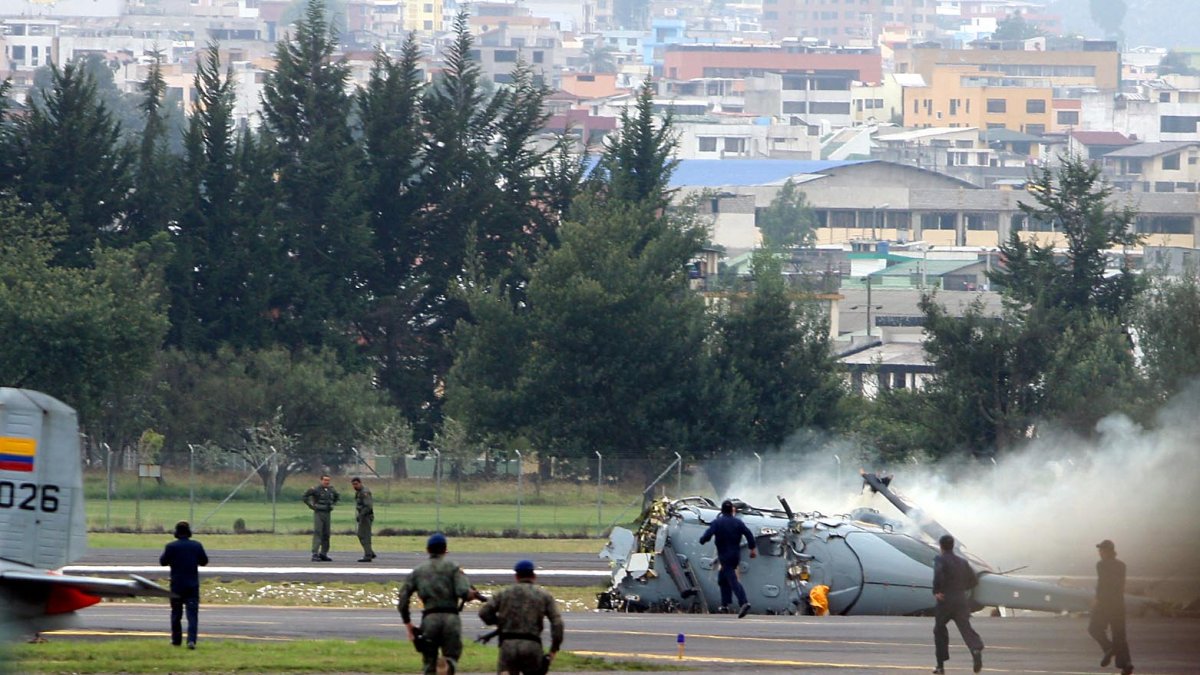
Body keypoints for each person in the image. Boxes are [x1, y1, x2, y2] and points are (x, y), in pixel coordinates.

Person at [399, 533, 482, 675]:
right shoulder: (454, 567)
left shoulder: (419, 571)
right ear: (445, 550)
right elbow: (463, 591)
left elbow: (403, 599)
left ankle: (433, 668)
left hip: (430, 618)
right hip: (451, 618)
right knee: (452, 656)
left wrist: (408, 624)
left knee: (429, 660)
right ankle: (447, 666)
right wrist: (472, 595)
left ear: (427, 550)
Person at [479, 560, 564, 675]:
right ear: (534, 576)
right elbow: (557, 623)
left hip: (508, 645)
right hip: (532, 645)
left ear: (516, 576)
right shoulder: (544, 595)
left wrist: (500, 623)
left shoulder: (504, 593)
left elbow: (484, 612)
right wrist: (554, 648)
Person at [932, 534, 983, 674]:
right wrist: (960, 589)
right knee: (966, 628)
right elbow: (974, 581)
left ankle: (940, 666)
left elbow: (938, 574)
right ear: (953, 545)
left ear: (941, 546)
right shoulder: (963, 562)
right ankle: (975, 648)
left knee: (939, 630)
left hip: (945, 600)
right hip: (961, 600)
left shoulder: (940, 559)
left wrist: (937, 590)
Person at [698, 499, 758, 617]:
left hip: (724, 556)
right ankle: (725, 605)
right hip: (735, 555)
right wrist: (752, 549)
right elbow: (749, 534)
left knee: (732, 580)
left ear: (722, 510)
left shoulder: (717, 522)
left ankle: (744, 602)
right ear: (732, 510)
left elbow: (708, 535)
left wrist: (702, 540)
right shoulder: (738, 522)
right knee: (722, 579)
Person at [159, 521, 209, 650]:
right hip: (192, 585)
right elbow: (204, 561)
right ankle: (191, 640)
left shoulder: (171, 546)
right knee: (192, 615)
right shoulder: (196, 545)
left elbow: (163, 562)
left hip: (176, 585)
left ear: (176, 532)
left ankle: (176, 640)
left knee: (176, 614)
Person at [1089, 539, 1133, 675]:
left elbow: (1102, 584)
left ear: (1107, 551)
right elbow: (1119, 585)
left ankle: (1108, 648)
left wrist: (1097, 600)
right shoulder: (1122, 565)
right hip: (1119, 604)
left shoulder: (1101, 565)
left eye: (1101, 550)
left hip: (1105, 603)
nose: (1099, 553)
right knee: (1120, 635)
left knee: (1094, 628)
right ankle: (1126, 664)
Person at [302, 474, 339, 562]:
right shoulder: (315, 489)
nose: (327, 482)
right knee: (318, 532)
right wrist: (311, 506)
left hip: (327, 513)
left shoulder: (331, 489)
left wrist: (332, 504)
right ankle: (315, 553)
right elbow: (305, 496)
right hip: (319, 512)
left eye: (328, 480)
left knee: (326, 534)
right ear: (321, 480)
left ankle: (324, 553)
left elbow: (337, 496)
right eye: (325, 480)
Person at [351, 477, 376, 563]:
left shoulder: (364, 492)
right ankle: (370, 552)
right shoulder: (358, 492)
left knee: (365, 536)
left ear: (360, 483)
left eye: (356, 484)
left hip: (366, 516)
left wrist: (361, 515)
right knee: (360, 534)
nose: (355, 486)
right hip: (362, 515)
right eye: (353, 484)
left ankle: (368, 555)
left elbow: (368, 506)